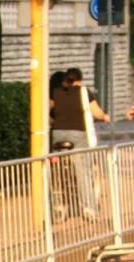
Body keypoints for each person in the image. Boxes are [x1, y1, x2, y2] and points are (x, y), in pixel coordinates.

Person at [49, 68, 107, 218]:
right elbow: (97, 113)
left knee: (58, 171)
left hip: (58, 135)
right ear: (79, 80)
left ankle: (58, 205)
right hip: (79, 134)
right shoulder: (84, 92)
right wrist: (105, 116)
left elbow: (47, 110)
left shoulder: (55, 92)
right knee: (84, 171)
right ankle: (89, 208)